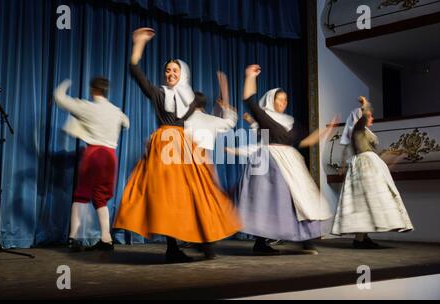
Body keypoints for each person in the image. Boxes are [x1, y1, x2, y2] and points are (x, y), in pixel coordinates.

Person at [113, 28, 240, 263]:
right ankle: (173, 248)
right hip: (165, 145)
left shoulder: (190, 99)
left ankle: (204, 242)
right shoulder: (158, 93)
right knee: (169, 196)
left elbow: (218, 119)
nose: (170, 74)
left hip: (184, 145)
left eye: (175, 70)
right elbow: (134, 70)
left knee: (198, 192)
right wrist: (138, 44)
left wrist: (224, 93)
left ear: (183, 74)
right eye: (167, 70)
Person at [237, 64, 333, 255]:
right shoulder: (264, 117)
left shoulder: (291, 122)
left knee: (302, 200)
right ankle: (261, 242)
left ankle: (305, 237)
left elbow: (304, 141)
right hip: (271, 162)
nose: (283, 103)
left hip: (292, 163)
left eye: (285, 100)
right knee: (271, 201)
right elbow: (249, 99)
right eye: (279, 99)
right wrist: (250, 76)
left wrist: (325, 132)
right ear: (272, 100)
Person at [54, 77, 130, 252]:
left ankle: (74, 238)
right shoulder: (115, 110)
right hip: (111, 157)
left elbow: (60, 97)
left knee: (81, 195)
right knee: (100, 197)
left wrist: (67, 82)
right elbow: (126, 123)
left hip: (94, 153)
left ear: (93, 90)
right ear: (105, 90)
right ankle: (106, 239)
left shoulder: (87, 107)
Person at [332, 109, 414, 248]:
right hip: (364, 166)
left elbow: (374, 151)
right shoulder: (357, 129)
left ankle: (362, 238)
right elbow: (361, 122)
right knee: (365, 201)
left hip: (370, 164)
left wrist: (395, 155)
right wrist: (364, 105)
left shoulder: (364, 132)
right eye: (369, 116)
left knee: (369, 201)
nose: (372, 118)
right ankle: (359, 240)